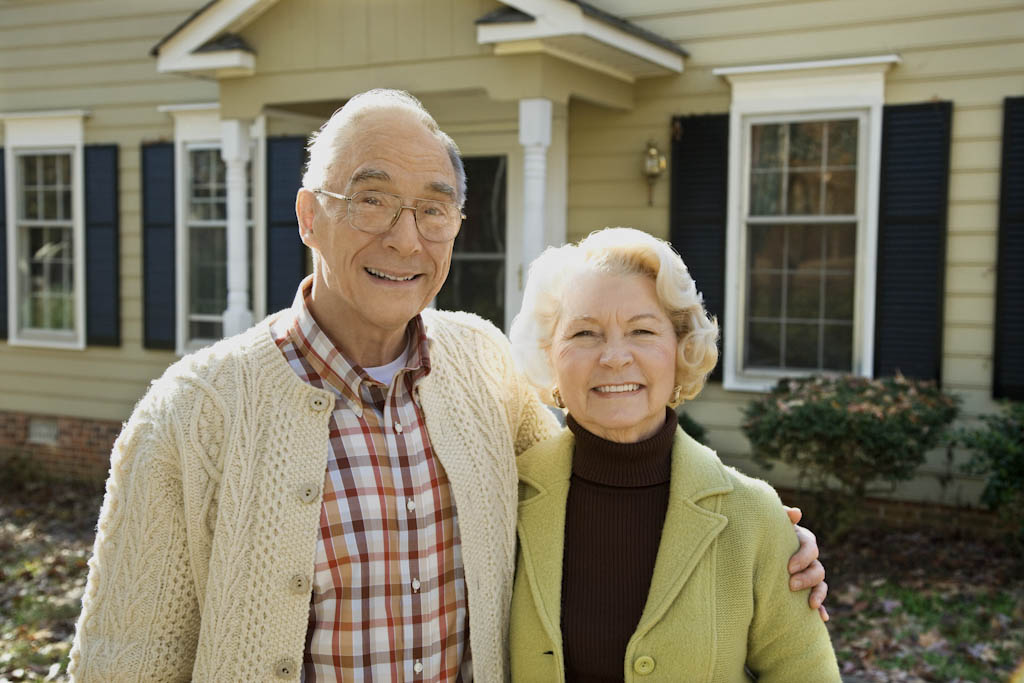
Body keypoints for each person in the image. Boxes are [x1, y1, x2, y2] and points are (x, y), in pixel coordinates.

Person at [69, 90, 826, 682]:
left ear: (456, 226)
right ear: (308, 215)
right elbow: (123, 662)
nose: (405, 238)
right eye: (371, 199)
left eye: (433, 209)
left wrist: (760, 530)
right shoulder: (191, 415)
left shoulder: (483, 367)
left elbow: (600, 472)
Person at [508, 227, 840, 681]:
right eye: (585, 333)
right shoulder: (506, 498)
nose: (614, 356)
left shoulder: (754, 516)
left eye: (641, 330)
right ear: (550, 355)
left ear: (681, 349)